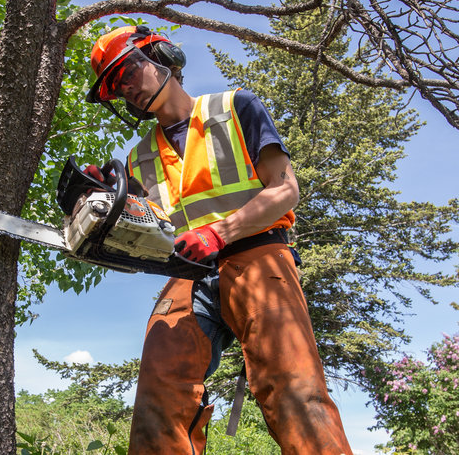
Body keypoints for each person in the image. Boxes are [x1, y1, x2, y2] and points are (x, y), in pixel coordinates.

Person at [84, 25, 353, 455]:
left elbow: (285, 189)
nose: (126, 88)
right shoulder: (137, 159)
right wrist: (100, 204)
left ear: (163, 57)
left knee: (293, 385)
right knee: (159, 390)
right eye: (116, 86)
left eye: (128, 72)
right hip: (185, 272)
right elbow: (141, 234)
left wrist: (219, 231)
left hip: (258, 250)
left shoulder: (234, 108)